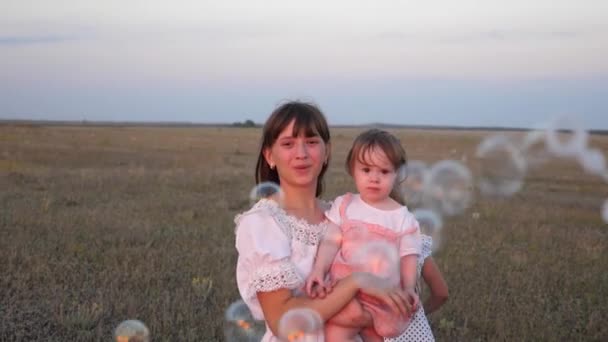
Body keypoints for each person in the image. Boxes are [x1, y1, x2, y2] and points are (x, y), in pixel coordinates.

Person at [235, 101, 412, 342]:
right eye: (288, 144)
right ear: (269, 156)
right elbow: (283, 322)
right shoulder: (263, 224)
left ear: (326, 151)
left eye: (311, 142)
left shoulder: (339, 215)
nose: (302, 154)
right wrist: (356, 282)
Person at [304, 129, 422, 341]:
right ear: (353, 170)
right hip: (344, 291)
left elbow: (409, 256)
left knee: (376, 335)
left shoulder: (402, 217)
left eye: (384, 172)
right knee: (336, 334)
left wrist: (409, 287)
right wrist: (319, 270)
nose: (374, 178)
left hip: (381, 297)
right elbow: (331, 241)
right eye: (366, 170)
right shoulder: (346, 205)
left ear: (396, 174)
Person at [385, 234, 449, 342]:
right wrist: (419, 312)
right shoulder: (414, 242)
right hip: (418, 335)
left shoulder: (357, 243)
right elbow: (441, 293)